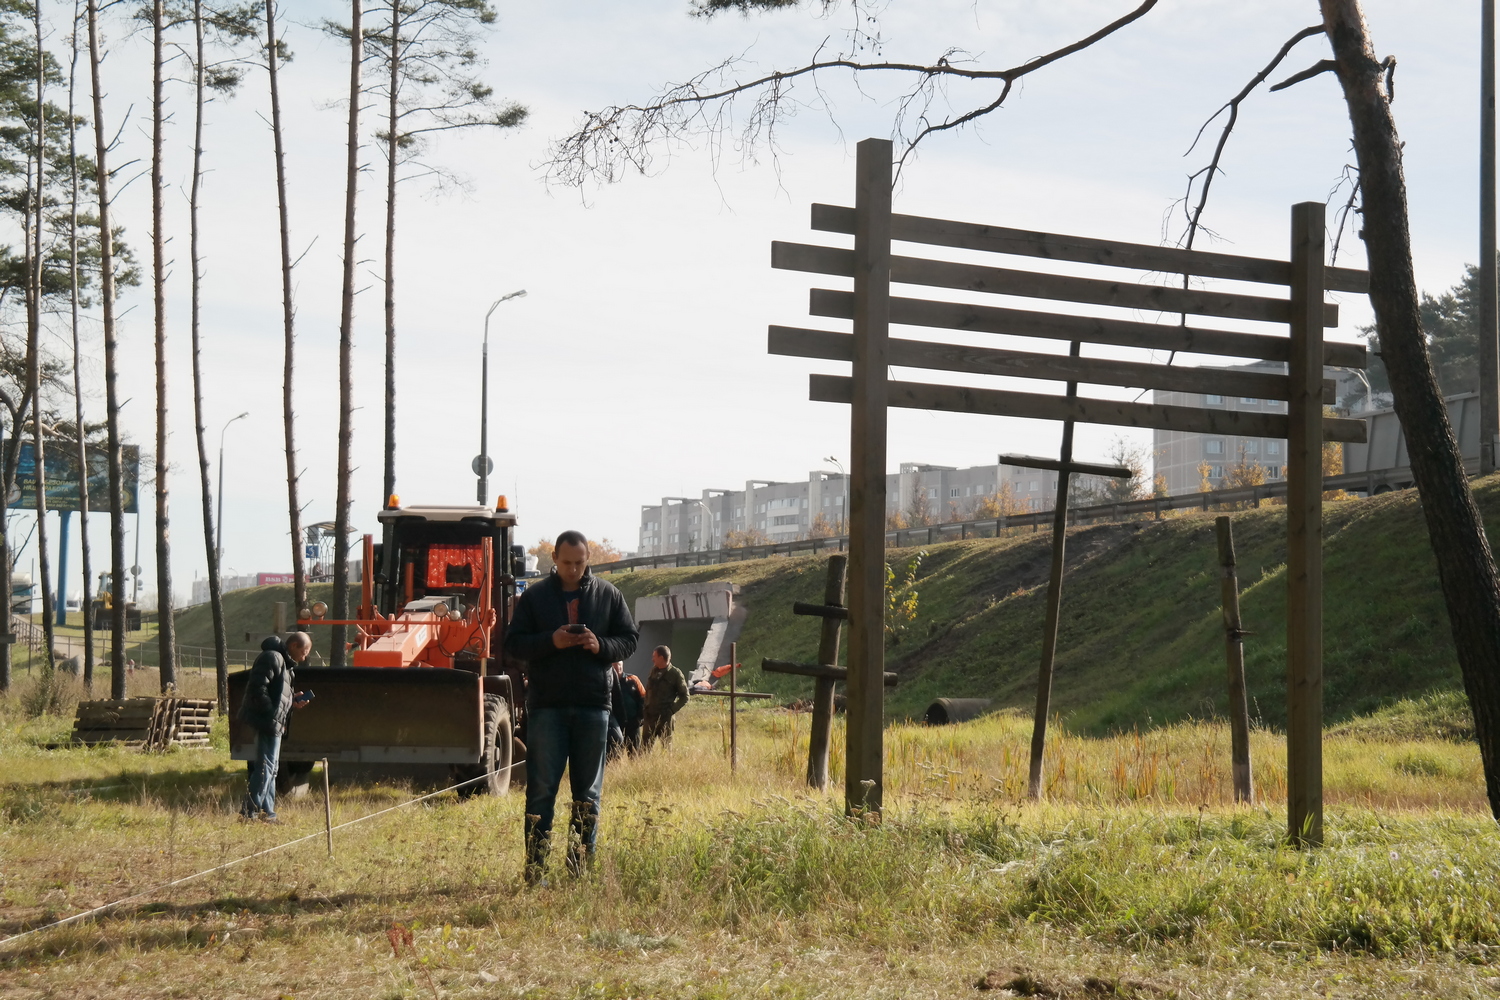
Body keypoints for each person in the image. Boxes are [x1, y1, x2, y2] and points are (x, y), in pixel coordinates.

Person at [505, 530, 639, 884]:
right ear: (554, 559)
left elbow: (629, 639)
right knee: (541, 791)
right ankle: (536, 872)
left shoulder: (609, 595)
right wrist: (552, 641)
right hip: (547, 707)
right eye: (567, 563)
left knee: (588, 795)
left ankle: (579, 871)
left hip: (594, 707)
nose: (574, 570)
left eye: (580, 563)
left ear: (587, 559)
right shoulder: (534, 598)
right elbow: (514, 644)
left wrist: (601, 645)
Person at [238, 632, 312, 823]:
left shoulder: (287, 667)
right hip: (267, 721)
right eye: (304, 652)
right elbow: (257, 688)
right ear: (294, 645)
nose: (304, 657)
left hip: (275, 723)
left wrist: (292, 701)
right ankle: (249, 813)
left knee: (272, 768)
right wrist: (271, 713)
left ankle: (267, 813)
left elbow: (277, 695)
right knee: (265, 768)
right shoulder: (272, 657)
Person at [641, 645, 689, 751]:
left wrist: (671, 710)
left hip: (665, 719)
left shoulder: (675, 674)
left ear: (661, 658)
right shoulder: (653, 671)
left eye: (654, 656)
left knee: (667, 749)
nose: (652, 659)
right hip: (650, 717)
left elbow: (685, 696)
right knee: (644, 750)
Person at [609, 661, 646, 757]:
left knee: (634, 753)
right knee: (615, 754)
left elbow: (644, 699)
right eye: (615, 665)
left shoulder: (633, 679)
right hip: (616, 725)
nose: (618, 667)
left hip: (633, 723)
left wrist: (640, 718)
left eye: (619, 664)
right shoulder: (608, 681)